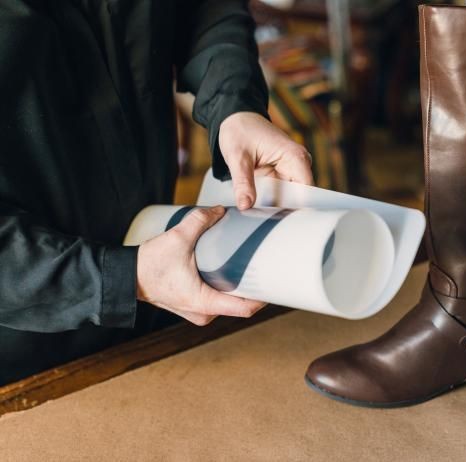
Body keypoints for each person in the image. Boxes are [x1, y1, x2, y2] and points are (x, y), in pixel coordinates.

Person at [0, 0, 313, 385]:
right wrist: (123, 279)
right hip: (26, 357)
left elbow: (204, 10)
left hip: (165, 297)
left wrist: (234, 105)